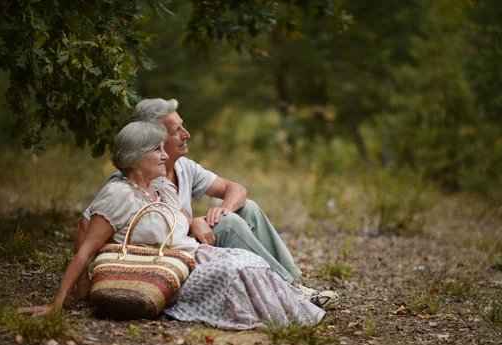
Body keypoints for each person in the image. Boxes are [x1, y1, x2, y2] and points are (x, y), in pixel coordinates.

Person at [20, 121, 325, 329]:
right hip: (160, 271)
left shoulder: (162, 187)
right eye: (157, 150)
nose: (166, 155)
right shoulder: (118, 195)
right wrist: (56, 303)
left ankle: (294, 311)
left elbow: (184, 225)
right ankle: (281, 316)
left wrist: (201, 223)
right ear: (137, 156)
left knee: (249, 259)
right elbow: (85, 251)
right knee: (239, 267)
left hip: (189, 258)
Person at [74, 98, 339, 308]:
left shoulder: (183, 167)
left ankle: (290, 282)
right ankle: (287, 291)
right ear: (153, 137)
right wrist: (84, 281)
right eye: (177, 130)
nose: (186, 134)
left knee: (247, 209)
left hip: (187, 238)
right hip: (164, 254)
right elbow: (86, 223)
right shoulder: (134, 176)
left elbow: (236, 189)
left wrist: (221, 209)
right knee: (230, 224)